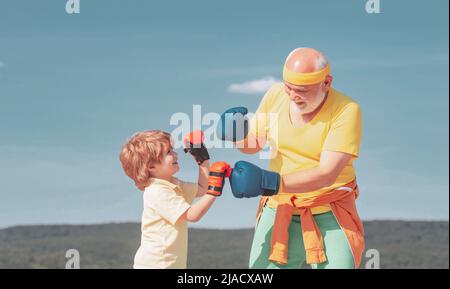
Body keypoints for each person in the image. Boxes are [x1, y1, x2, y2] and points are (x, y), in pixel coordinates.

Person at [219, 47, 364, 269]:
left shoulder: (346, 110)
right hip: (279, 207)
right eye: (289, 87)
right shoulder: (276, 95)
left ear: (326, 83)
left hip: (329, 210)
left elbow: (327, 173)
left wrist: (270, 182)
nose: (293, 96)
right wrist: (237, 136)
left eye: (302, 90)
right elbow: (254, 143)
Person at [119, 130, 230, 269]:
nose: (175, 154)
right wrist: (214, 190)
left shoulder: (173, 184)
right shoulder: (157, 191)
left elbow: (202, 189)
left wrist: (203, 161)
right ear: (151, 166)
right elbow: (192, 214)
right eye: (168, 152)